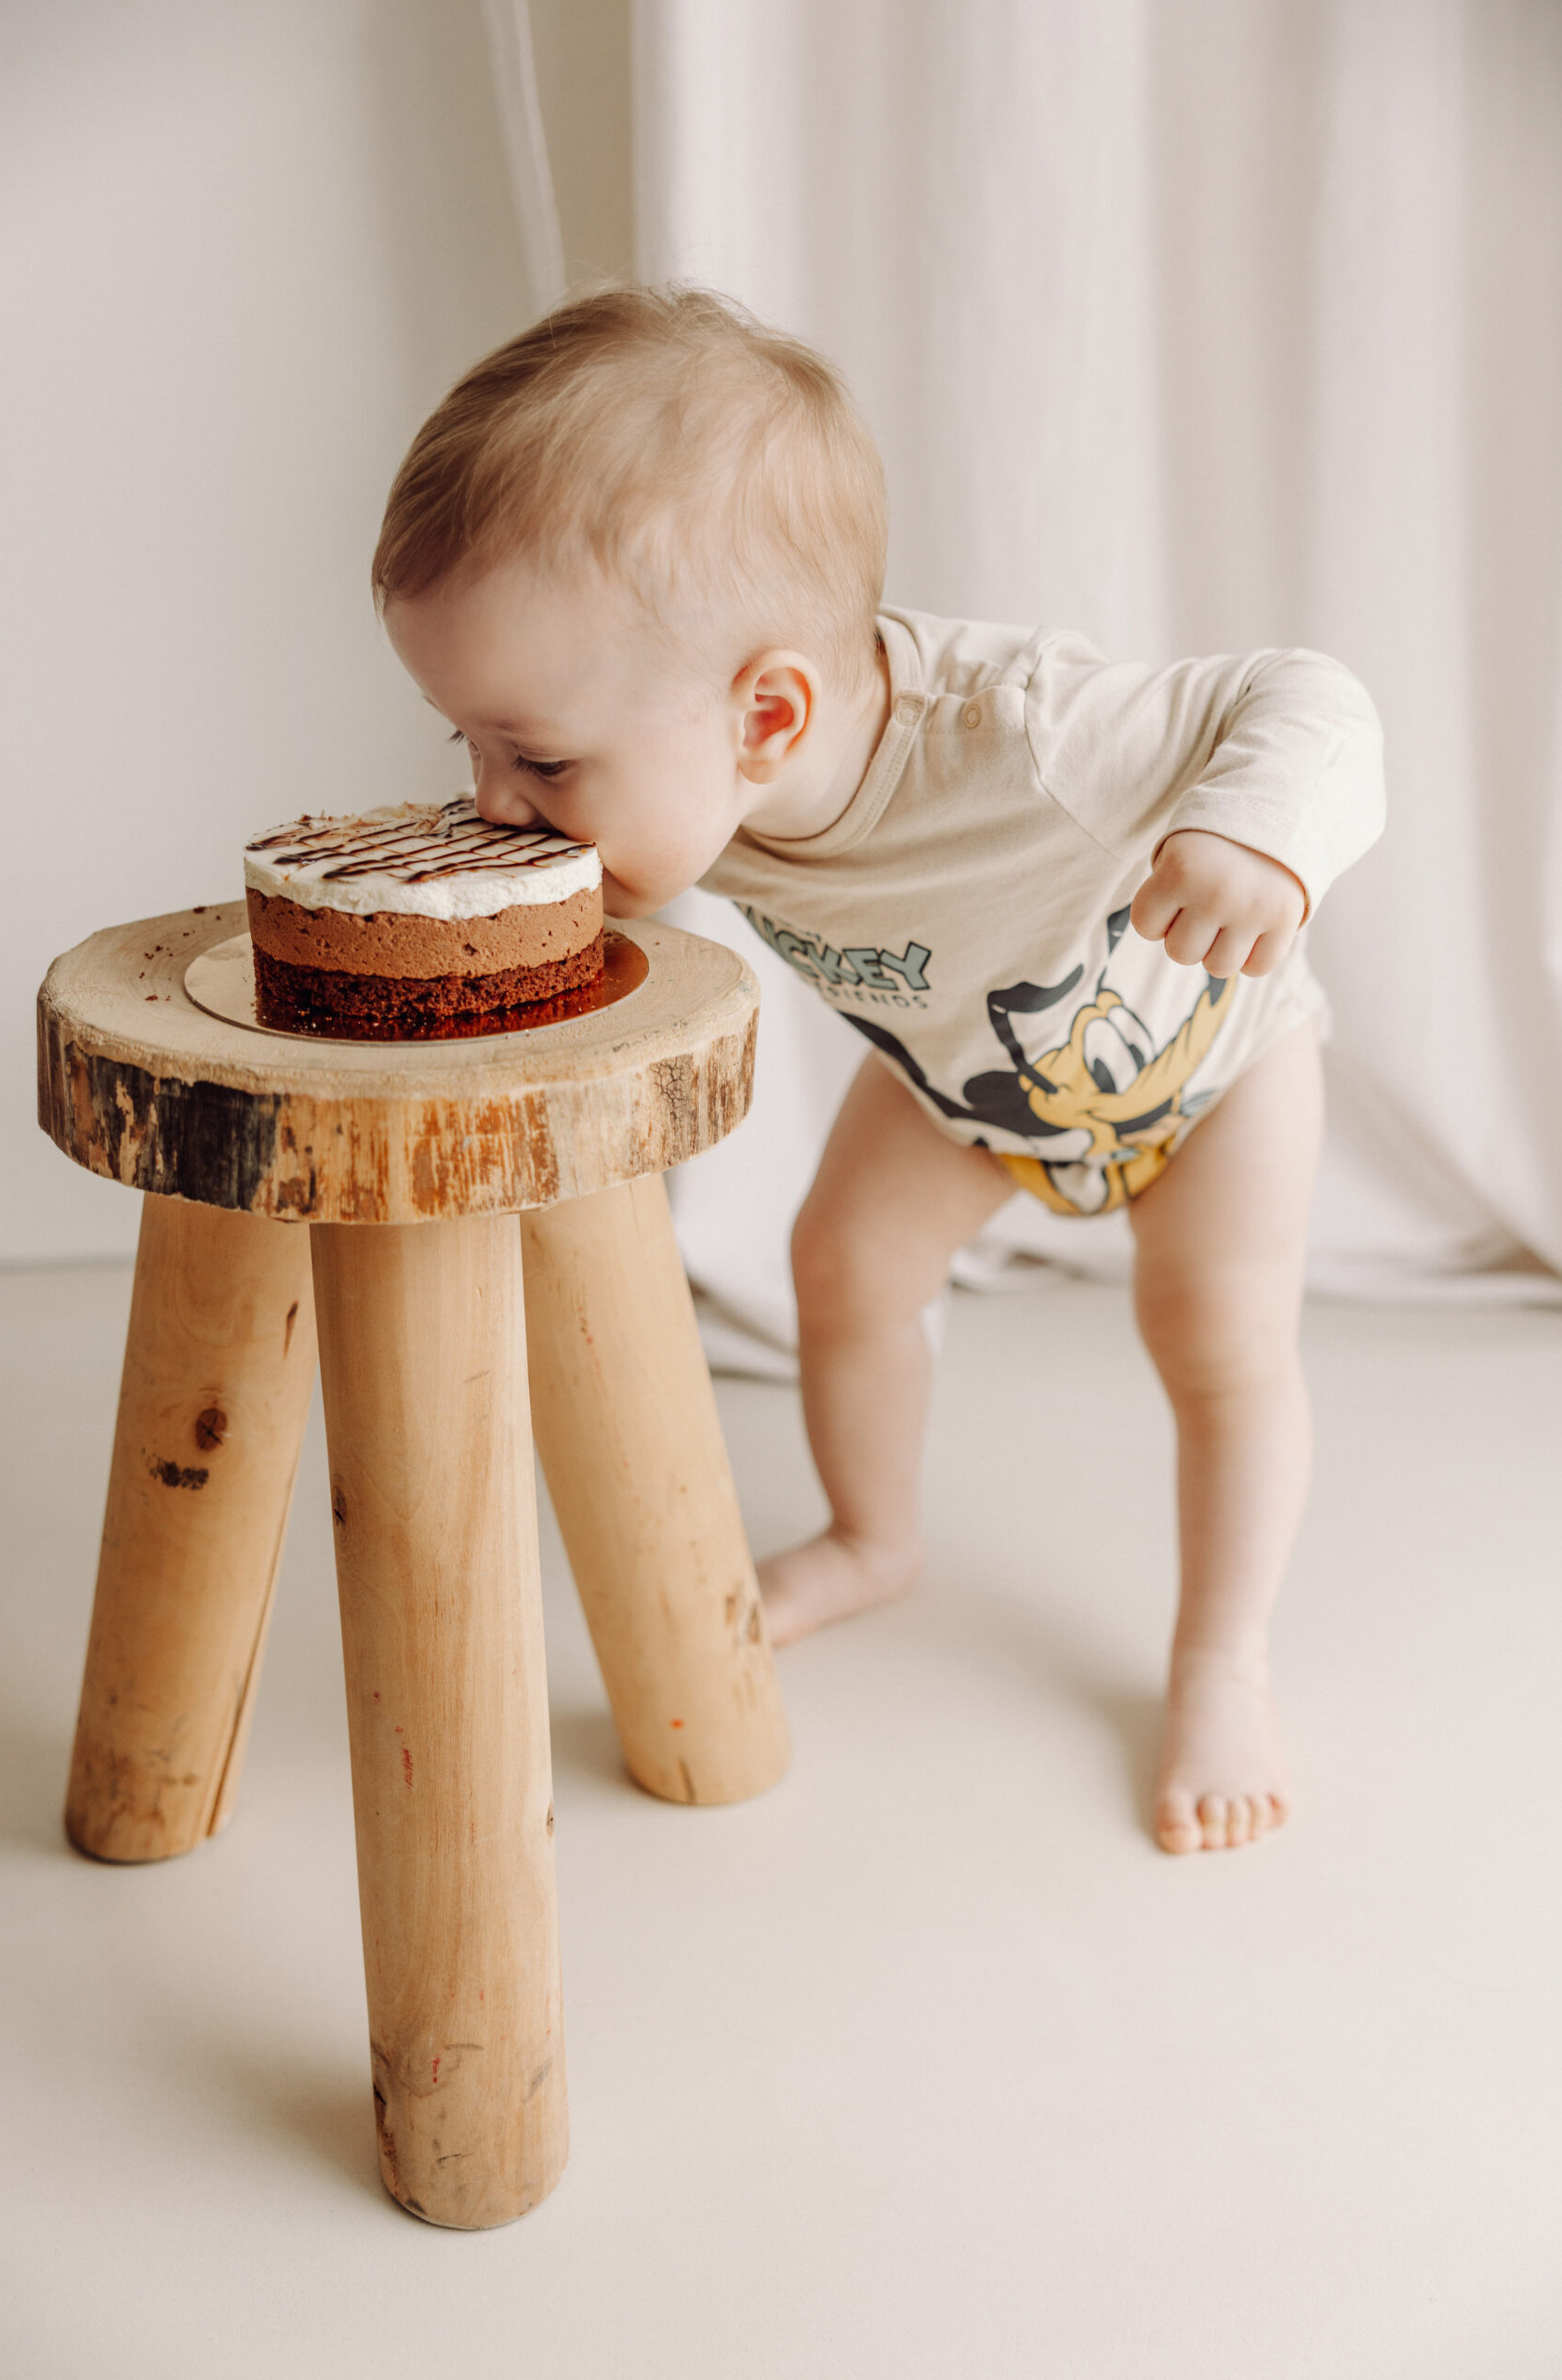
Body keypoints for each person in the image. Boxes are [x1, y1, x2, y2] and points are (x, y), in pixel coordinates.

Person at [373, 284, 1384, 1857]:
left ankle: (1220, 1657)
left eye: (544, 760)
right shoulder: (710, 774)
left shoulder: (1031, 735)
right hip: (965, 1088)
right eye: (474, 753)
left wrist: (1259, 834)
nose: (501, 803)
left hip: (1214, 1067)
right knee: (838, 1265)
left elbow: (1308, 696)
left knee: (1218, 1341)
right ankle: (872, 1536)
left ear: (764, 713)